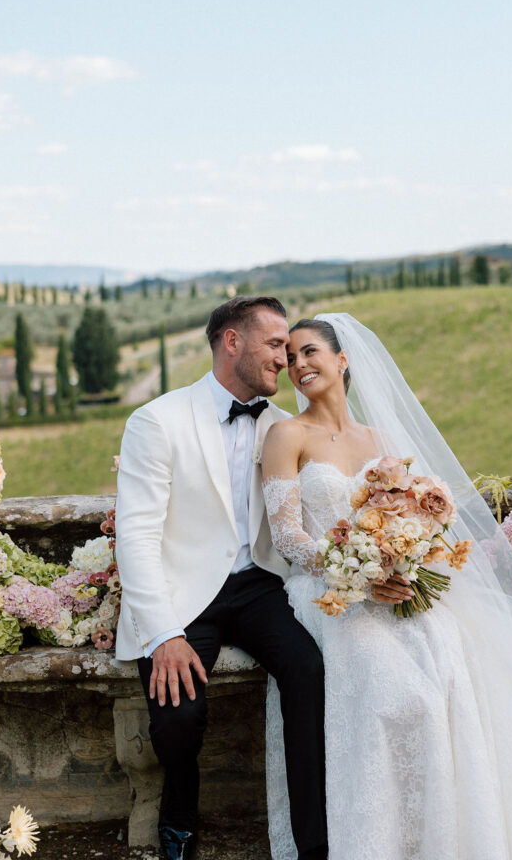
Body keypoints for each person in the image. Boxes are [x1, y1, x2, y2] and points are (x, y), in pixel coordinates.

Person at [262, 313, 512, 860]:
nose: (298, 365)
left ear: (342, 358)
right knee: (393, 685)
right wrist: (360, 572)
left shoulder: (382, 440)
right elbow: (288, 537)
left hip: (398, 586)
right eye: (290, 358)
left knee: (452, 666)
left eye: (309, 351)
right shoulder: (286, 434)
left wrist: (404, 564)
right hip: (331, 593)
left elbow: (419, 520)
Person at [114, 297, 329, 860]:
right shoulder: (157, 421)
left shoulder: (282, 426)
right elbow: (136, 537)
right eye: (275, 344)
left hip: (259, 585)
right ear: (233, 342)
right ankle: (179, 816)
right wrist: (164, 633)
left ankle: (314, 840)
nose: (285, 358)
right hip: (181, 592)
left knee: (308, 668)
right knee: (179, 715)